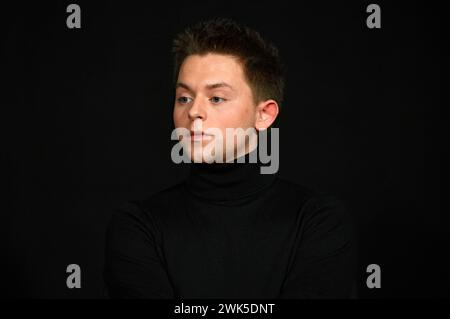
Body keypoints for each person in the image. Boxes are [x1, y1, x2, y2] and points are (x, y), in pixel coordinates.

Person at [103, 17, 357, 298]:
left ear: (264, 114)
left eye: (216, 98)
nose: (194, 112)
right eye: (184, 98)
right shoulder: (139, 226)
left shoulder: (317, 221)